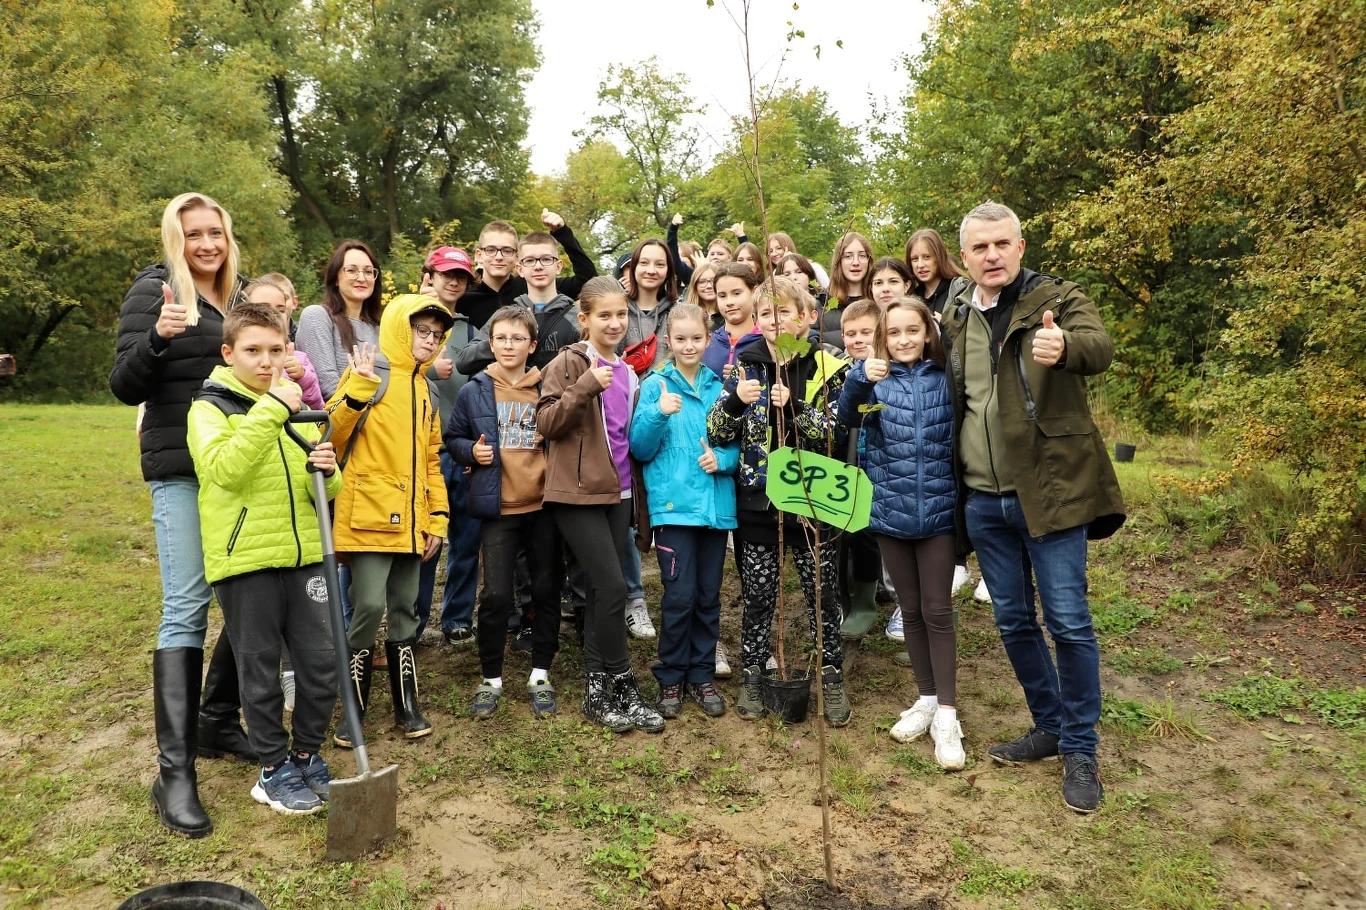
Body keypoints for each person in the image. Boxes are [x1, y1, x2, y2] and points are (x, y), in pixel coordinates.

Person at [942, 202, 1125, 812]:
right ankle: (1050, 726)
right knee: (1014, 622)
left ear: (1020, 247)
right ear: (964, 257)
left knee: (1068, 622)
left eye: (1002, 244)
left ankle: (1081, 749)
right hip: (982, 499)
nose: (991, 255)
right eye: (979, 247)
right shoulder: (956, 313)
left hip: (1049, 493)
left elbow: (1099, 347)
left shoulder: (1058, 298)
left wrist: (1065, 346)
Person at [110, 192, 253, 838]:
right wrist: (158, 338)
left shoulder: (241, 293)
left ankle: (216, 719)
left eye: (214, 232)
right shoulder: (155, 292)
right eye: (193, 234)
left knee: (248, 596)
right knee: (188, 606)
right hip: (182, 470)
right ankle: (173, 774)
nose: (206, 244)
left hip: (239, 468)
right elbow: (124, 385)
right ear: (176, 237)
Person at [186, 302, 343, 814]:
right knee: (260, 669)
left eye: (276, 350)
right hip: (246, 559)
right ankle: (273, 769)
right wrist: (273, 406)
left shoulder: (296, 407)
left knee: (320, 662)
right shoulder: (209, 408)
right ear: (228, 353)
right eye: (252, 350)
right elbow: (224, 470)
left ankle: (306, 754)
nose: (266, 361)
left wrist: (328, 470)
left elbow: (323, 489)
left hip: (304, 555)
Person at [706, 277, 852, 727]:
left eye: (784, 311)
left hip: (813, 500)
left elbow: (836, 431)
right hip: (758, 500)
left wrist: (795, 408)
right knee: (758, 593)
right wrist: (734, 401)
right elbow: (716, 432)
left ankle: (830, 674)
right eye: (766, 313)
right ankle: (753, 671)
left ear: (806, 317)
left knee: (821, 593)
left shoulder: (829, 365)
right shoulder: (744, 367)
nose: (775, 321)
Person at [536, 276, 665, 734]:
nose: (614, 323)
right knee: (612, 588)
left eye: (621, 314)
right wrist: (586, 386)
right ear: (584, 319)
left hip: (620, 493)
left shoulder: (628, 372)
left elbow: (625, 439)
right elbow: (546, 422)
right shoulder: (569, 363)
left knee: (599, 593)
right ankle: (623, 685)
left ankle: (598, 691)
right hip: (576, 495)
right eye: (604, 315)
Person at [838, 297, 963, 769]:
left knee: (937, 610)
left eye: (913, 330)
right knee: (909, 609)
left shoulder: (946, 377)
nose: (904, 339)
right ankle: (926, 698)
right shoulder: (874, 381)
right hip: (890, 512)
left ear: (928, 333)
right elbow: (848, 419)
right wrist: (858, 378)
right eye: (894, 333)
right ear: (882, 339)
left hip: (939, 514)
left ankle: (947, 715)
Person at [327, 294, 453, 747]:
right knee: (367, 606)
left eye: (437, 335)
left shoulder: (428, 390)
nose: (431, 341)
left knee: (406, 608)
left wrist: (437, 517)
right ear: (402, 328)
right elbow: (329, 435)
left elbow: (433, 460)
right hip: (368, 516)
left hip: (414, 521)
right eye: (423, 331)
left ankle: (407, 705)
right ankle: (353, 708)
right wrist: (358, 391)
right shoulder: (369, 373)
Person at [447, 305, 564, 719]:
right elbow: (453, 438)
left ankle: (540, 673)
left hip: (544, 506)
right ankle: (491, 678)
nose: (509, 345)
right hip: (499, 509)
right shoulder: (474, 389)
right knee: (495, 595)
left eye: (518, 339)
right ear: (490, 343)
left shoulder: (546, 387)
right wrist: (470, 452)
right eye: (501, 338)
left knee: (546, 589)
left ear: (532, 345)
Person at [630, 303, 739, 719]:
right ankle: (671, 676)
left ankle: (702, 674)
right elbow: (640, 448)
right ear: (668, 341)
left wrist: (722, 461)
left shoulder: (720, 387)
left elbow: (736, 444)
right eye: (681, 339)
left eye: (696, 338)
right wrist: (659, 414)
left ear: (708, 339)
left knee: (708, 596)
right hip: (674, 512)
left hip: (714, 509)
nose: (689, 345)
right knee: (679, 596)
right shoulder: (655, 385)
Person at [415, 246, 482, 646]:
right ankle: (414, 623)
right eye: (446, 274)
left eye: (460, 276)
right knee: (425, 543)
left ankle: (457, 618)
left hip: (464, 450)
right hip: (425, 452)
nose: (453, 282)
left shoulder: (473, 333)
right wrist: (428, 370)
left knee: (466, 541)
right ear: (430, 276)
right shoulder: (408, 321)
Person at [833, 300, 888, 641]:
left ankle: (874, 599)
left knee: (875, 535)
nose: (857, 339)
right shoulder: (840, 371)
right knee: (852, 534)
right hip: (850, 467)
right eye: (850, 334)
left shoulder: (890, 371)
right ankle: (853, 600)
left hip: (884, 468)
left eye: (866, 332)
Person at [458, 212, 598, 330]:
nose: (499, 257)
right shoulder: (463, 298)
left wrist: (562, 232)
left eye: (507, 250)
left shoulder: (533, 285)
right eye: (491, 250)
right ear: (479, 255)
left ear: (517, 257)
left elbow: (588, 280)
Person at [295, 240, 383, 401]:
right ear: (335, 278)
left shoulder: (379, 328)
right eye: (351, 270)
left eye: (368, 272)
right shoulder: (317, 316)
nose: (361, 278)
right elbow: (328, 386)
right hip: (337, 414)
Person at [243, 280, 324, 410]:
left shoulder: (299, 359)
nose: (273, 315)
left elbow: (317, 408)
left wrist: (302, 377)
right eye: (263, 309)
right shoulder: (239, 356)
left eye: (280, 310)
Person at [819, 232, 873, 348]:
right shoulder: (821, 304)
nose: (856, 262)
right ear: (839, 261)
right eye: (848, 256)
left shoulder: (879, 300)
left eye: (862, 256)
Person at [905, 227, 967, 317]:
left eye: (926, 257)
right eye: (915, 259)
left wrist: (944, 322)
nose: (920, 265)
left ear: (939, 257)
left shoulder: (961, 290)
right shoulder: (911, 297)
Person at [765, 232, 829, 288]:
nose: (774, 254)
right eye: (770, 251)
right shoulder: (773, 275)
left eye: (779, 248)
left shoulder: (814, 268)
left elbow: (828, 291)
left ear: (788, 248)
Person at [686, 263, 721, 330]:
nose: (709, 286)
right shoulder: (686, 315)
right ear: (695, 286)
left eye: (713, 281)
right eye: (702, 282)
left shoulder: (729, 313)